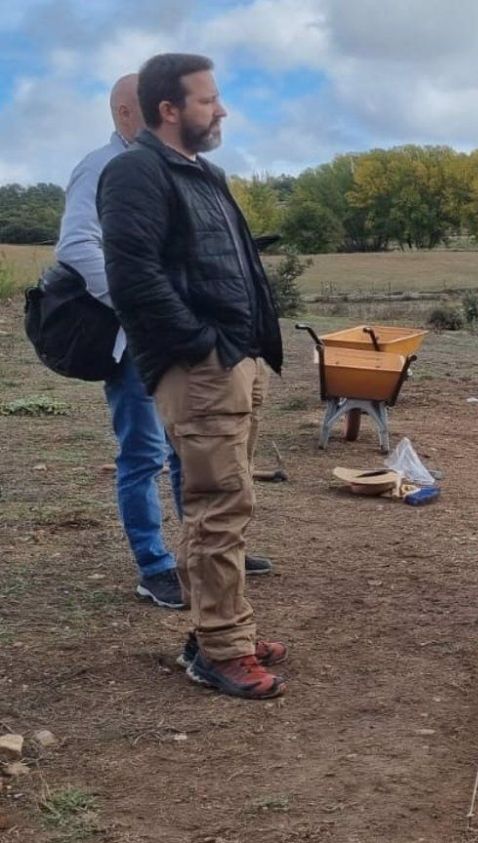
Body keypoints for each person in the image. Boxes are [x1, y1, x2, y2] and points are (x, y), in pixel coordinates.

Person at [98, 53, 287, 699]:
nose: (222, 109)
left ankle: (217, 627)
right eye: (208, 100)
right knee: (216, 508)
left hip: (237, 360)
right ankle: (221, 649)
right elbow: (134, 278)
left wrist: (249, 347)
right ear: (169, 110)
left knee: (230, 503)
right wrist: (201, 347)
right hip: (203, 367)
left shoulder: (203, 173)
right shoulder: (134, 172)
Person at [57, 75, 274, 612]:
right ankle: (154, 567)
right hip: (137, 341)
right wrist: (150, 312)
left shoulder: (168, 170)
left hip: (174, 341)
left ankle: (200, 555)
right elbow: (78, 247)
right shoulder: (104, 166)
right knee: (144, 453)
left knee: (188, 452)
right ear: (131, 113)